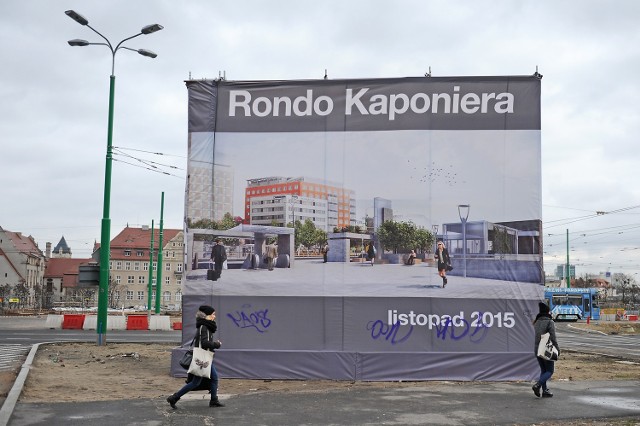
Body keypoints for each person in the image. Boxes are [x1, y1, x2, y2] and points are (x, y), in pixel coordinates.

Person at [167, 305, 224, 408]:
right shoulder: (204, 327)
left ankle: (214, 400)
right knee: (195, 382)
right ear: (207, 315)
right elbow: (204, 343)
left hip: (204, 357)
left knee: (213, 378)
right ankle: (174, 397)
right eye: (213, 314)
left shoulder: (205, 325)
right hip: (202, 358)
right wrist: (216, 344)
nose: (214, 316)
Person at [532, 302, 559, 398]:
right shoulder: (550, 322)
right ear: (548, 311)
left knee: (543, 371)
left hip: (537, 350)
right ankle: (537, 385)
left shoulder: (536, 321)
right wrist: (557, 349)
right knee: (550, 371)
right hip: (547, 350)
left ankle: (545, 391)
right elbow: (553, 338)